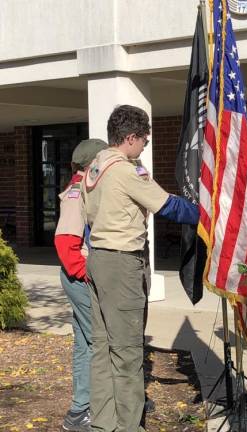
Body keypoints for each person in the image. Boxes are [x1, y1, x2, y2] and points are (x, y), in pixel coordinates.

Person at [82, 105, 199, 432]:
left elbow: (88, 218)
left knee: (102, 349)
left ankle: (104, 424)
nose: (145, 145)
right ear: (130, 137)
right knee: (129, 354)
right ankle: (130, 426)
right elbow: (168, 206)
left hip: (99, 259)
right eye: (144, 141)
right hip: (122, 264)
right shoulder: (124, 171)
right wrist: (209, 214)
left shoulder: (95, 167)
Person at [54, 138, 108, 432]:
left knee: (85, 343)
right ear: (91, 165)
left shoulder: (85, 188)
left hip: (80, 276)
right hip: (79, 277)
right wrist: (85, 272)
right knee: (98, 341)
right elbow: (65, 242)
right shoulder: (77, 193)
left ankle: (80, 409)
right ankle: (91, 408)